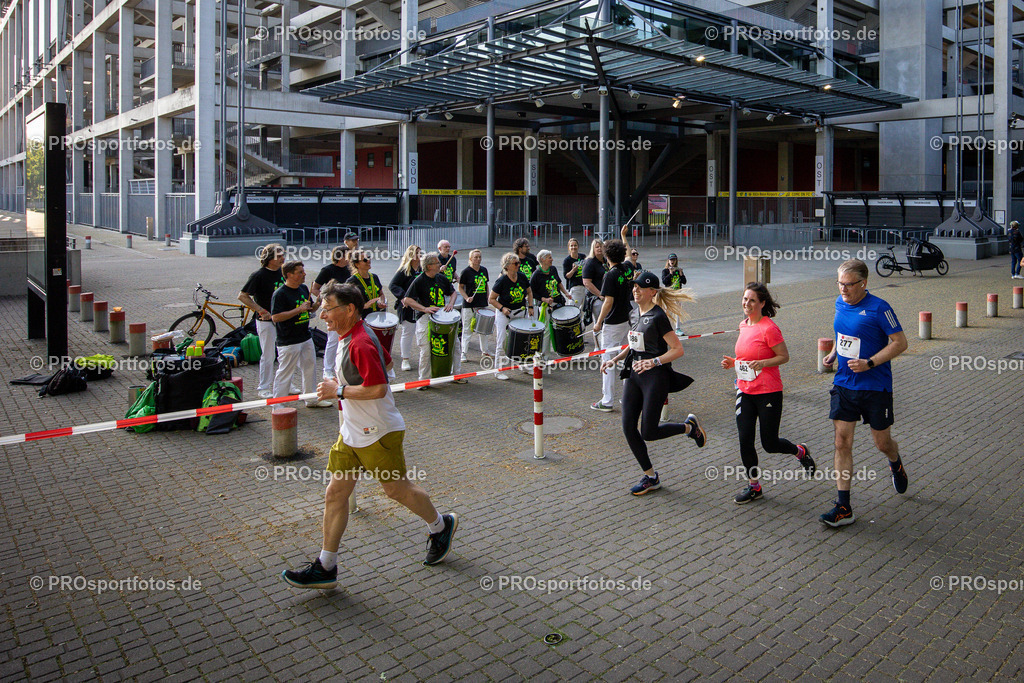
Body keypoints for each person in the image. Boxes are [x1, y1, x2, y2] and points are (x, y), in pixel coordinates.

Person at [282, 282, 458, 589]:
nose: (323, 315)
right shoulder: (353, 335)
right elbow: (386, 364)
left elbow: (378, 388)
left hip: (378, 433)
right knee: (335, 494)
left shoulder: (361, 342)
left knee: (396, 491)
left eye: (329, 309)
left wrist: (338, 390)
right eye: (322, 309)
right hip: (350, 434)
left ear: (349, 309)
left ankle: (440, 525)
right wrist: (344, 382)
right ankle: (326, 566)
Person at [820, 259, 909, 527]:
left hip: (875, 387)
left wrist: (870, 363)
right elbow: (842, 332)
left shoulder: (880, 308)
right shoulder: (839, 302)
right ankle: (843, 506)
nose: (843, 289)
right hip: (845, 384)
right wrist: (835, 352)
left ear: (864, 283)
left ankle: (895, 461)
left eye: (848, 284)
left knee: (882, 443)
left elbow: (901, 343)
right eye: (839, 283)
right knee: (841, 442)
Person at [600, 272, 706, 495]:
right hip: (634, 374)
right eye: (634, 287)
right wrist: (613, 360)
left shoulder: (659, 317)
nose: (635, 290)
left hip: (655, 377)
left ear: (652, 292)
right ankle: (651, 477)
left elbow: (678, 350)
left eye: (640, 287)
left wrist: (653, 362)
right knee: (628, 427)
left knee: (648, 432)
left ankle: (689, 427)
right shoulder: (633, 313)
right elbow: (632, 343)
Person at [721, 283, 816, 504]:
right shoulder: (743, 325)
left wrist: (763, 363)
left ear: (762, 303)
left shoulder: (769, 328)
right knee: (745, 440)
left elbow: (784, 356)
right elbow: (746, 359)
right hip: (744, 390)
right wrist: (733, 363)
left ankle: (800, 451)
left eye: (752, 300)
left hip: (768, 392)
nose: (747, 303)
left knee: (769, 443)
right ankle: (754, 487)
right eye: (745, 299)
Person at [270, 261, 332, 407]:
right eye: (300, 272)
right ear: (289, 275)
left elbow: (309, 309)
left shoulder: (303, 288)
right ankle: (277, 403)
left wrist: (317, 303)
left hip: (305, 336)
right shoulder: (280, 294)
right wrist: (298, 310)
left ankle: (310, 398)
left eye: (303, 271)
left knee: (310, 368)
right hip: (288, 340)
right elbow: (275, 317)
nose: (304, 274)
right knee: (285, 372)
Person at [402, 252, 464, 386]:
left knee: (456, 346)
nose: (440, 264)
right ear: (429, 266)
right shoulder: (419, 280)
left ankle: (457, 375)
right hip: (425, 318)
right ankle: (423, 380)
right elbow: (407, 299)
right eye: (437, 263)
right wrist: (424, 309)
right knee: (425, 349)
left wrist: (451, 303)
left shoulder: (441, 278)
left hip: (442, 317)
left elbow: (453, 292)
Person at [591, 239, 634, 412]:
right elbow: (630, 256)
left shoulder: (610, 275)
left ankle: (607, 400)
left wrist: (599, 322)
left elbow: (608, 301)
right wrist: (625, 237)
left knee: (607, 359)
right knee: (627, 356)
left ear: (607, 256)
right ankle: (628, 396)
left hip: (613, 322)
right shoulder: (627, 269)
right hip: (627, 319)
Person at [238, 243, 284, 399]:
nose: (283, 258)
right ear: (270, 258)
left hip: (284, 318)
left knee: (285, 352)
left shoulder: (283, 272)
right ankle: (263, 386)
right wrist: (260, 310)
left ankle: (285, 383)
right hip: (266, 321)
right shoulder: (259, 275)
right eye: (279, 256)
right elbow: (243, 295)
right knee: (268, 353)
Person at [489, 252, 534, 381]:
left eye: (519, 262)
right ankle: (499, 370)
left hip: (520, 311)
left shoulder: (521, 276)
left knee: (522, 340)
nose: (518, 265)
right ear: (507, 266)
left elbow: (529, 292)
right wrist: (502, 308)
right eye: (516, 263)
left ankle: (524, 365)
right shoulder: (502, 280)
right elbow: (491, 299)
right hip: (505, 313)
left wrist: (530, 306)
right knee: (502, 340)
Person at [312, 246, 352, 380]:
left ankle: (345, 366)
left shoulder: (350, 269)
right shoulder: (328, 270)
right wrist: (327, 301)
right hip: (333, 310)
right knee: (333, 339)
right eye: (348, 255)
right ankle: (327, 370)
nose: (350, 257)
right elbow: (315, 288)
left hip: (347, 308)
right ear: (341, 257)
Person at [531, 250, 571, 358]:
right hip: (545, 306)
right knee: (547, 330)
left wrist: (566, 293)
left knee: (559, 327)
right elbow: (532, 292)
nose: (552, 259)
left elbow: (558, 282)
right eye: (549, 257)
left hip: (558, 302)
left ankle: (560, 349)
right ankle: (545, 354)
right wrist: (544, 299)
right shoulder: (536, 275)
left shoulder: (553, 269)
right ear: (543, 259)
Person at [389, 245, 422, 372]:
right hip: (407, 306)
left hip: (420, 305)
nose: (420, 255)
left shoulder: (422, 269)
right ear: (412, 256)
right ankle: (405, 359)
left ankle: (423, 356)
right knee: (408, 332)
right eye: (418, 253)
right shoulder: (404, 270)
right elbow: (393, 285)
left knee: (421, 332)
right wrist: (403, 297)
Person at [458, 249, 490, 361]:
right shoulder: (466, 272)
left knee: (483, 329)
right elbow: (460, 288)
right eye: (475, 257)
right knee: (467, 329)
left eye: (479, 257)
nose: (478, 259)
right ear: (470, 259)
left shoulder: (484, 270)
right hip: (469, 305)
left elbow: (486, 285)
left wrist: (488, 297)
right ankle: (463, 352)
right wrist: (467, 298)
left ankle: (485, 351)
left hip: (482, 303)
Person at [345, 250, 387, 318]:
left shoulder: (374, 277)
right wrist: (364, 306)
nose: (368, 261)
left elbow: (381, 294)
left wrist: (381, 302)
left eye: (368, 257)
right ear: (357, 264)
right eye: (365, 260)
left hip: (376, 316)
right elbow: (347, 303)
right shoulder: (351, 281)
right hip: (361, 318)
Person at [581, 239, 608, 327]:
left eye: (601, 246)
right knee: (599, 323)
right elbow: (587, 283)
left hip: (606, 295)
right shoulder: (589, 263)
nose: (599, 248)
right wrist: (599, 295)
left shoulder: (606, 261)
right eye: (597, 247)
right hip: (595, 297)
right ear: (593, 249)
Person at [563, 238, 586, 307]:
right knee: (573, 308)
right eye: (571, 246)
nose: (573, 247)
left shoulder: (583, 256)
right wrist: (573, 270)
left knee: (584, 310)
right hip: (575, 287)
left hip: (585, 286)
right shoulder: (567, 260)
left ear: (578, 246)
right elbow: (566, 276)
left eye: (575, 245)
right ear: (569, 248)